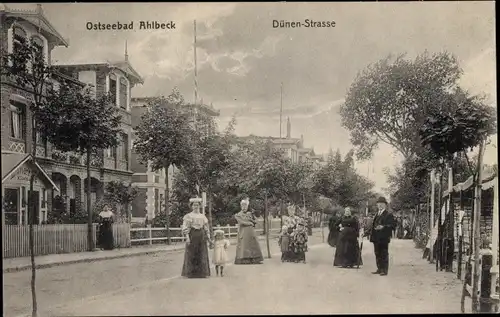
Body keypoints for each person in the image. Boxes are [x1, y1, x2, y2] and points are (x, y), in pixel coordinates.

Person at [181, 197, 213, 278]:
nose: (196, 207)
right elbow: (186, 227)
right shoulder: (188, 216)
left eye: (197, 205)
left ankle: (202, 273)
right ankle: (191, 273)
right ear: (191, 206)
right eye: (194, 205)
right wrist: (187, 237)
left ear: (200, 206)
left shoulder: (202, 216)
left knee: (202, 253)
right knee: (191, 253)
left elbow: (206, 228)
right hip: (192, 235)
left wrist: (209, 239)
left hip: (201, 236)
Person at [370, 197, 396, 276]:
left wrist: (383, 227)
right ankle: (379, 268)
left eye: (382, 204)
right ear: (377, 205)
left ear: (385, 205)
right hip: (376, 237)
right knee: (377, 253)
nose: (380, 205)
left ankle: (384, 270)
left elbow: (392, 225)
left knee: (384, 253)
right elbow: (373, 225)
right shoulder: (376, 214)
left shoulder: (388, 215)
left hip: (384, 237)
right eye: (379, 204)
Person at [234, 198, 264, 264]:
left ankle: (255, 259)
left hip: (251, 233)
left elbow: (256, 221)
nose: (244, 207)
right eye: (243, 206)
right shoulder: (238, 215)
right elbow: (241, 222)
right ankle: (244, 260)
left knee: (253, 245)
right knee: (244, 246)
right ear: (241, 206)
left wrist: (253, 220)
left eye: (245, 206)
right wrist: (250, 223)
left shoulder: (250, 214)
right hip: (243, 232)